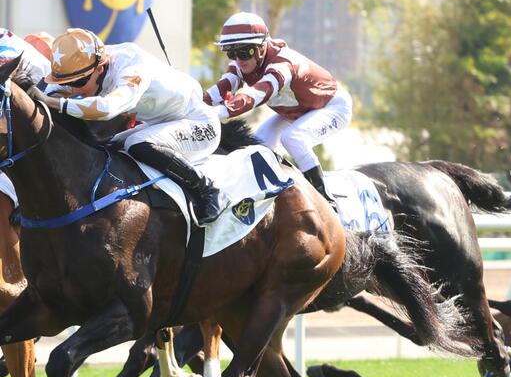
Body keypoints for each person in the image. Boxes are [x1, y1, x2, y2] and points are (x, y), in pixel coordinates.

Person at [37, 28, 227, 226]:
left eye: (79, 82)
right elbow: (45, 89)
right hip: (165, 122)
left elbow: (107, 109)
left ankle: (208, 190)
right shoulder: (88, 64)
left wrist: (56, 103)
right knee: (107, 146)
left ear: (100, 69)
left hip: (198, 123)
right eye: (69, 82)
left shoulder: (131, 68)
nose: (75, 89)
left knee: (136, 143)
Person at [204, 11, 351, 203]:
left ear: (262, 48)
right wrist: (191, 105)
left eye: (244, 51)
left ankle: (325, 200)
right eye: (231, 52)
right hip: (298, 111)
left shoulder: (284, 63)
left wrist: (218, 112)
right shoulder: (242, 64)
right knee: (257, 146)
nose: (239, 59)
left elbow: (257, 94)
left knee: (293, 138)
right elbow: (221, 89)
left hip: (332, 106)